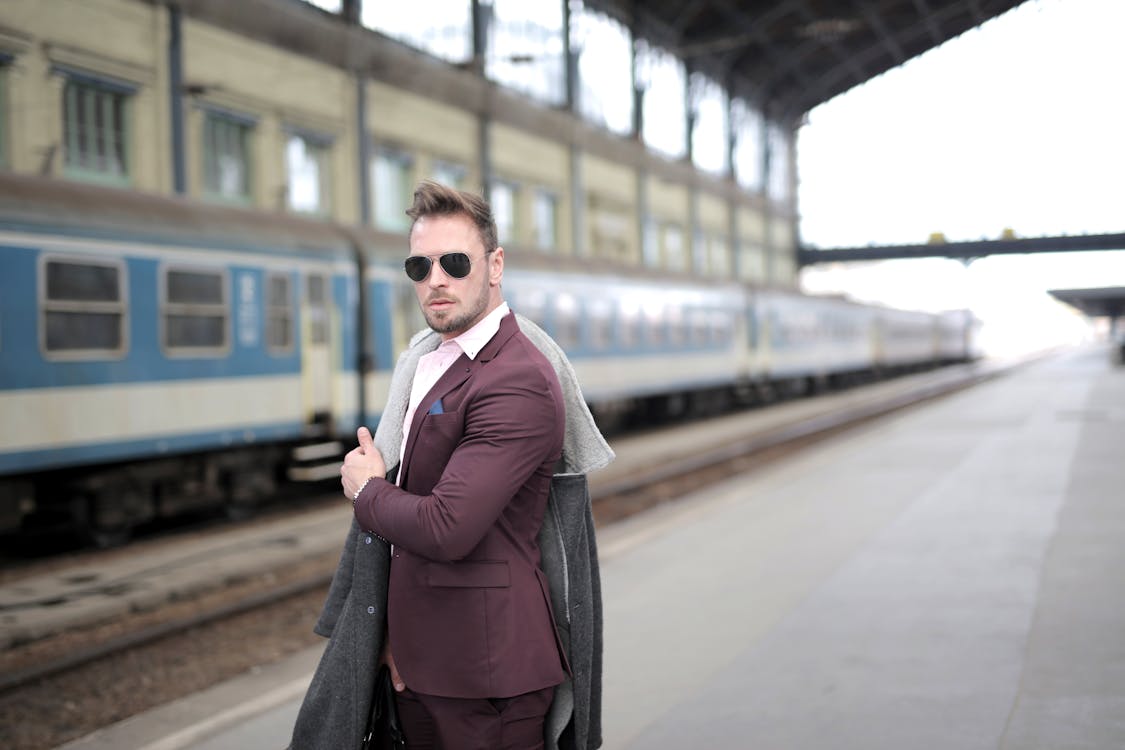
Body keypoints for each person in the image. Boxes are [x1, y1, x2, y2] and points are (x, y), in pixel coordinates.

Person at [290, 181, 613, 750]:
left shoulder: (517, 379)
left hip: (488, 677)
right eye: (420, 265)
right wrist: (390, 637)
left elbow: (447, 526)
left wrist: (366, 490)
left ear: (494, 266)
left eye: (455, 262)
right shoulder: (424, 361)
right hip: (420, 665)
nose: (436, 279)